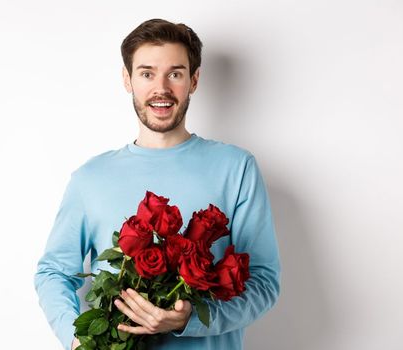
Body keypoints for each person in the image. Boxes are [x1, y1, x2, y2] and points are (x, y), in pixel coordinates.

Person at [33, 18, 281, 350]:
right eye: (147, 73)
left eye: (175, 74)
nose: (160, 88)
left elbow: (263, 283)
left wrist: (189, 319)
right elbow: (53, 272)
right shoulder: (90, 179)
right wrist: (78, 340)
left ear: (194, 80)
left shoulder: (236, 168)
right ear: (128, 79)